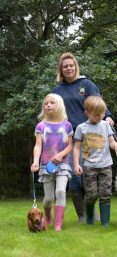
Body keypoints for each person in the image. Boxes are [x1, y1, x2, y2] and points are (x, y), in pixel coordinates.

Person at [52, 52, 114, 223]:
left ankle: (93, 214)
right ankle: (82, 215)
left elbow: (98, 104)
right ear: (61, 70)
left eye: (71, 65)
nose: (69, 68)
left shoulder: (86, 84)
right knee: (74, 176)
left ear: (76, 67)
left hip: (90, 137)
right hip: (68, 139)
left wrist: (107, 116)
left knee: (91, 175)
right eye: (65, 66)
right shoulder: (57, 91)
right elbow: (52, 113)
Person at [31, 93, 73, 231]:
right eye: (46, 103)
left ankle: (58, 224)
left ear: (59, 105)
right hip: (46, 166)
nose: (48, 105)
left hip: (63, 165)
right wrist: (36, 162)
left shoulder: (67, 125)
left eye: (52, 102)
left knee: (60, 191)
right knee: (49, 197)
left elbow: (70, 146)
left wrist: (61, 155)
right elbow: (38, 145)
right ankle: (48, 218)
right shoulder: (41, 126)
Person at [73, 96, 117, 226]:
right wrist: (76, 164)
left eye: (102, 113)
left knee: (105, 194)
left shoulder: (105, 126)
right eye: (96, 114)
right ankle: (90, 219)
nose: (100, 116)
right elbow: (76, 147)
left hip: (106, 166)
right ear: (87, 112)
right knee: (91, 195)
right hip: (89, 166)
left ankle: (105, 223)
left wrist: (115, 146)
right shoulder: (81, 128)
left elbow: (112, 142)